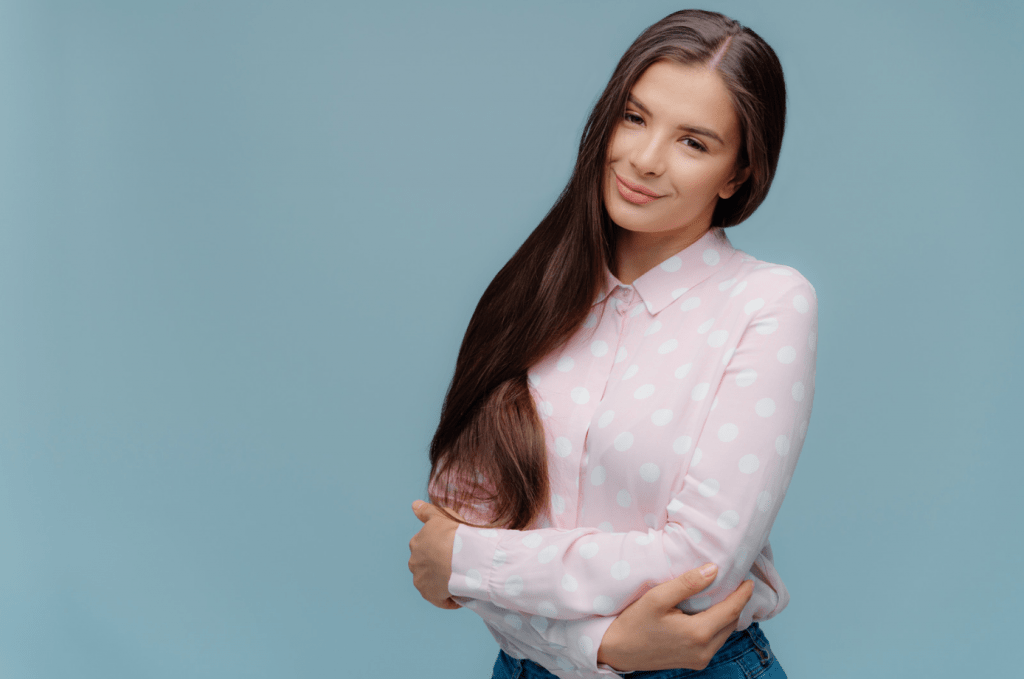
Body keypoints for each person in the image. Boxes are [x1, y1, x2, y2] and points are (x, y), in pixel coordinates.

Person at [408, 9, 814, 678]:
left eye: (693, 142)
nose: (646, 160)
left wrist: (467, 561)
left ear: (737, 173)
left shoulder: (768, 305)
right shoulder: (533, 292)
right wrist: (596, 647)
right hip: (525, 666)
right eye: (634, 117)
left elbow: (700, 567)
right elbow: (459, 519)